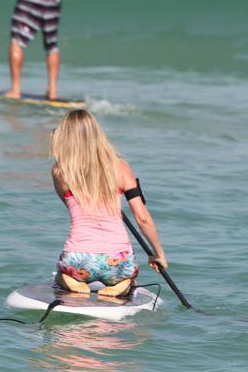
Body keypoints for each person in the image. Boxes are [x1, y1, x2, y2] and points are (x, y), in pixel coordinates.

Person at [50, 110, 168, 297]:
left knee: (61, 276)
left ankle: (71, 281)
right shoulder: (121, 167)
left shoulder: (60, 172)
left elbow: (71, 207)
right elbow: (142, 217)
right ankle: (122, 283)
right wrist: (158, 253)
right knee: (128, 277)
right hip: (117, 259)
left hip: (78, 259)